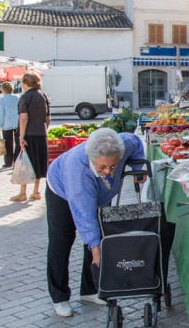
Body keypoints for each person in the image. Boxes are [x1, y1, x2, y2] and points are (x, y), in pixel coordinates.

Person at [45, 128, 146, 317]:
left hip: (100, 193)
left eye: (113, 166)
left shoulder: (122, 145)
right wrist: (95, 249)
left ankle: (90, 291)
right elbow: (85, 217)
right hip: (61, 191)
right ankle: (59, 297)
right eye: (102, 168)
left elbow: (136, 141)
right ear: (92, 160)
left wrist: (138, 167)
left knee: (100, 234)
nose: (108, 172)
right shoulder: (78, 172)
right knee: (62, 240)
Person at [15, 71, 51, 202]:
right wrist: (44, 129)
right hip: (41, 133)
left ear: (25, 83)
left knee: (26, 162)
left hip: (29, 134)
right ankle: (36, 191)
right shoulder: (43, 96)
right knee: (38, 162)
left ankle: (22, 192)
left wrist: (21, 136)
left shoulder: (25, 97)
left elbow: (23, 118)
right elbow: (48, 118)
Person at [0, 81, 21, 170]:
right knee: (18, 143)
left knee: (8, 144)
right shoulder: (18, 97)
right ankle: (17, 160)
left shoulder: (1, 100)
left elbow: (1, 115)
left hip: (6, 124)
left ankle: (8, 162)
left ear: (3, 90)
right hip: (18, 123)